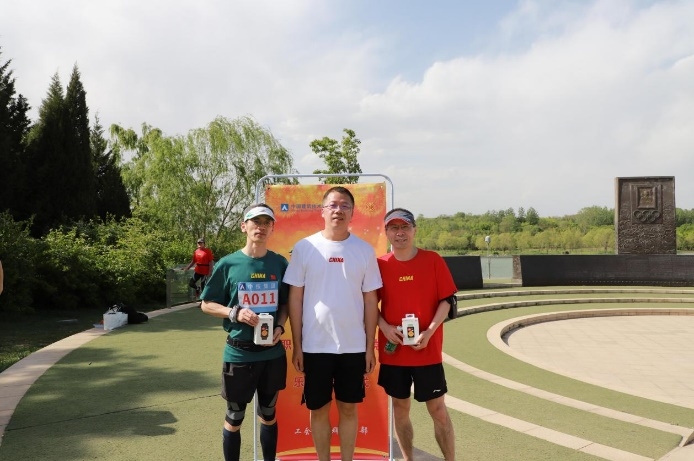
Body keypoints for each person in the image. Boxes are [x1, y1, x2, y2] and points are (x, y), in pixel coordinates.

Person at [285, 186, 382, 461]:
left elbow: (370, 301)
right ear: (323, 211)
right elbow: (295, 299)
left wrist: (369, 347)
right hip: (315, 346)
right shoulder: (304, 248)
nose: (338, 210)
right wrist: (298, 346)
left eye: (344, 206)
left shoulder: (364, 250)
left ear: (352, 212)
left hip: (353, 346)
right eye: (333, 205)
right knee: (318, 409)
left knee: (349, 408)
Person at [200, 204, 289, 461]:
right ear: (244, 226)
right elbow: (206, 304)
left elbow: (285, 304)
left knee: (268, 415)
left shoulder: (279, 263)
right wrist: (234, 313)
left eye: (266, 223)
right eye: (255, 222)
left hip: (271, 355)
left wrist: (280, 326)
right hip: (239, 355)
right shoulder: (228, 264)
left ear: (272, 228)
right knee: (234, 418)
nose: (261, 227)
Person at [376, 208, 457, 461]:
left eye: (405, 227)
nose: (400, 233)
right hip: (394, 353)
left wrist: (430, 332)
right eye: (394, 228)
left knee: (438, 410)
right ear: (386, 232)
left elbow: (447, 301)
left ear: (414, 230)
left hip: (427, 351)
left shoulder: (433, 260)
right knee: (400, 409)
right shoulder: (379, 264)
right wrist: (384, 327)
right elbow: (368, 305)